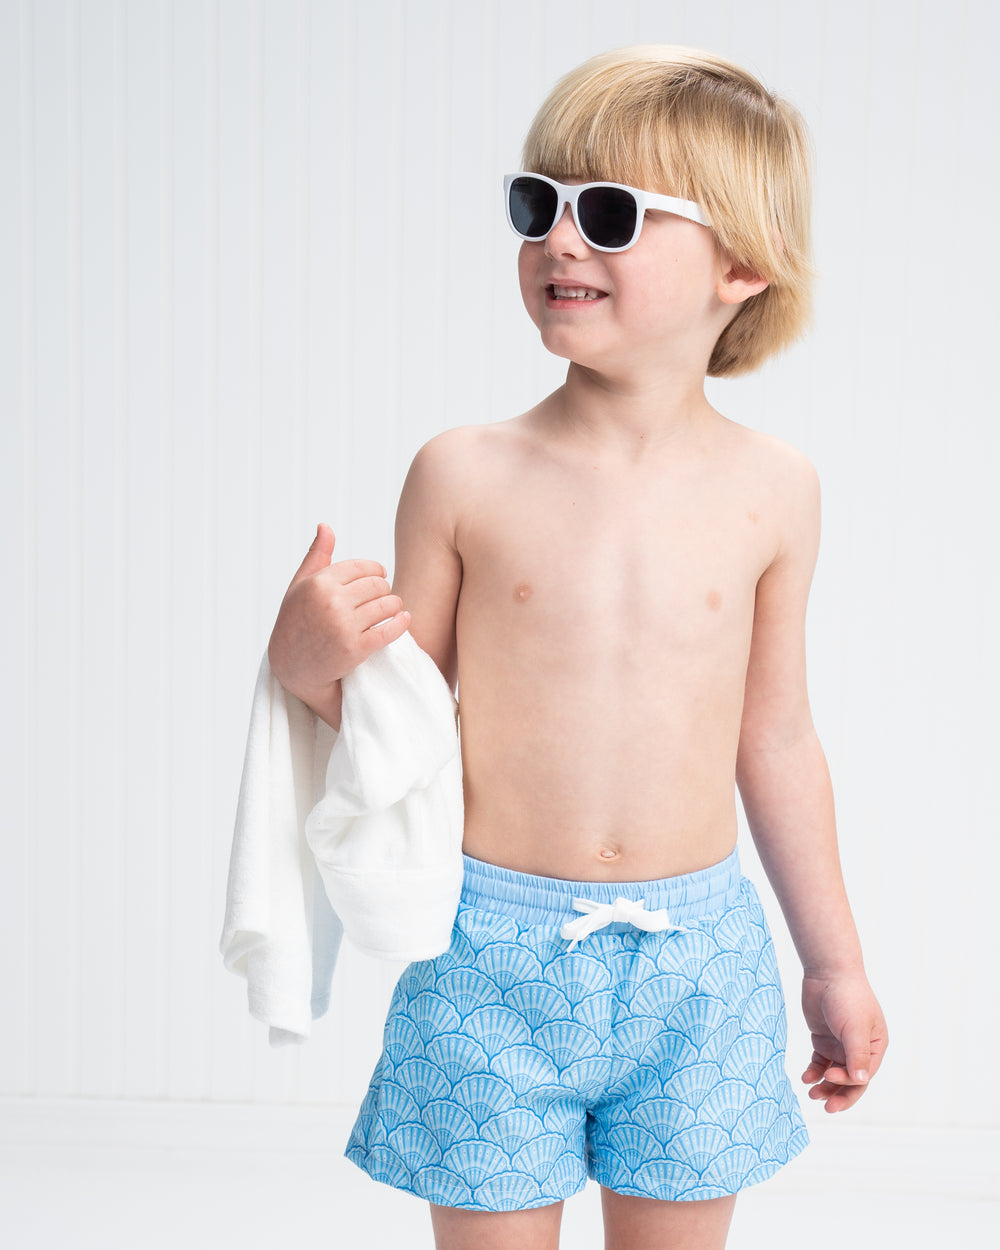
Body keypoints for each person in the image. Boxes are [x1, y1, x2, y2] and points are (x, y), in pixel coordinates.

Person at [266, 44, 887, 1250]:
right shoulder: (464, 473)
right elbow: (404, 730)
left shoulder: (775, 489)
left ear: (741, 263)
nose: (560, 238)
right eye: (537, 202)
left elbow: (775, 736)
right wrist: (304, 665)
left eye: (610, 214)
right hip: (486, 953)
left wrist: (836, 961)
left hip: (697, 965)